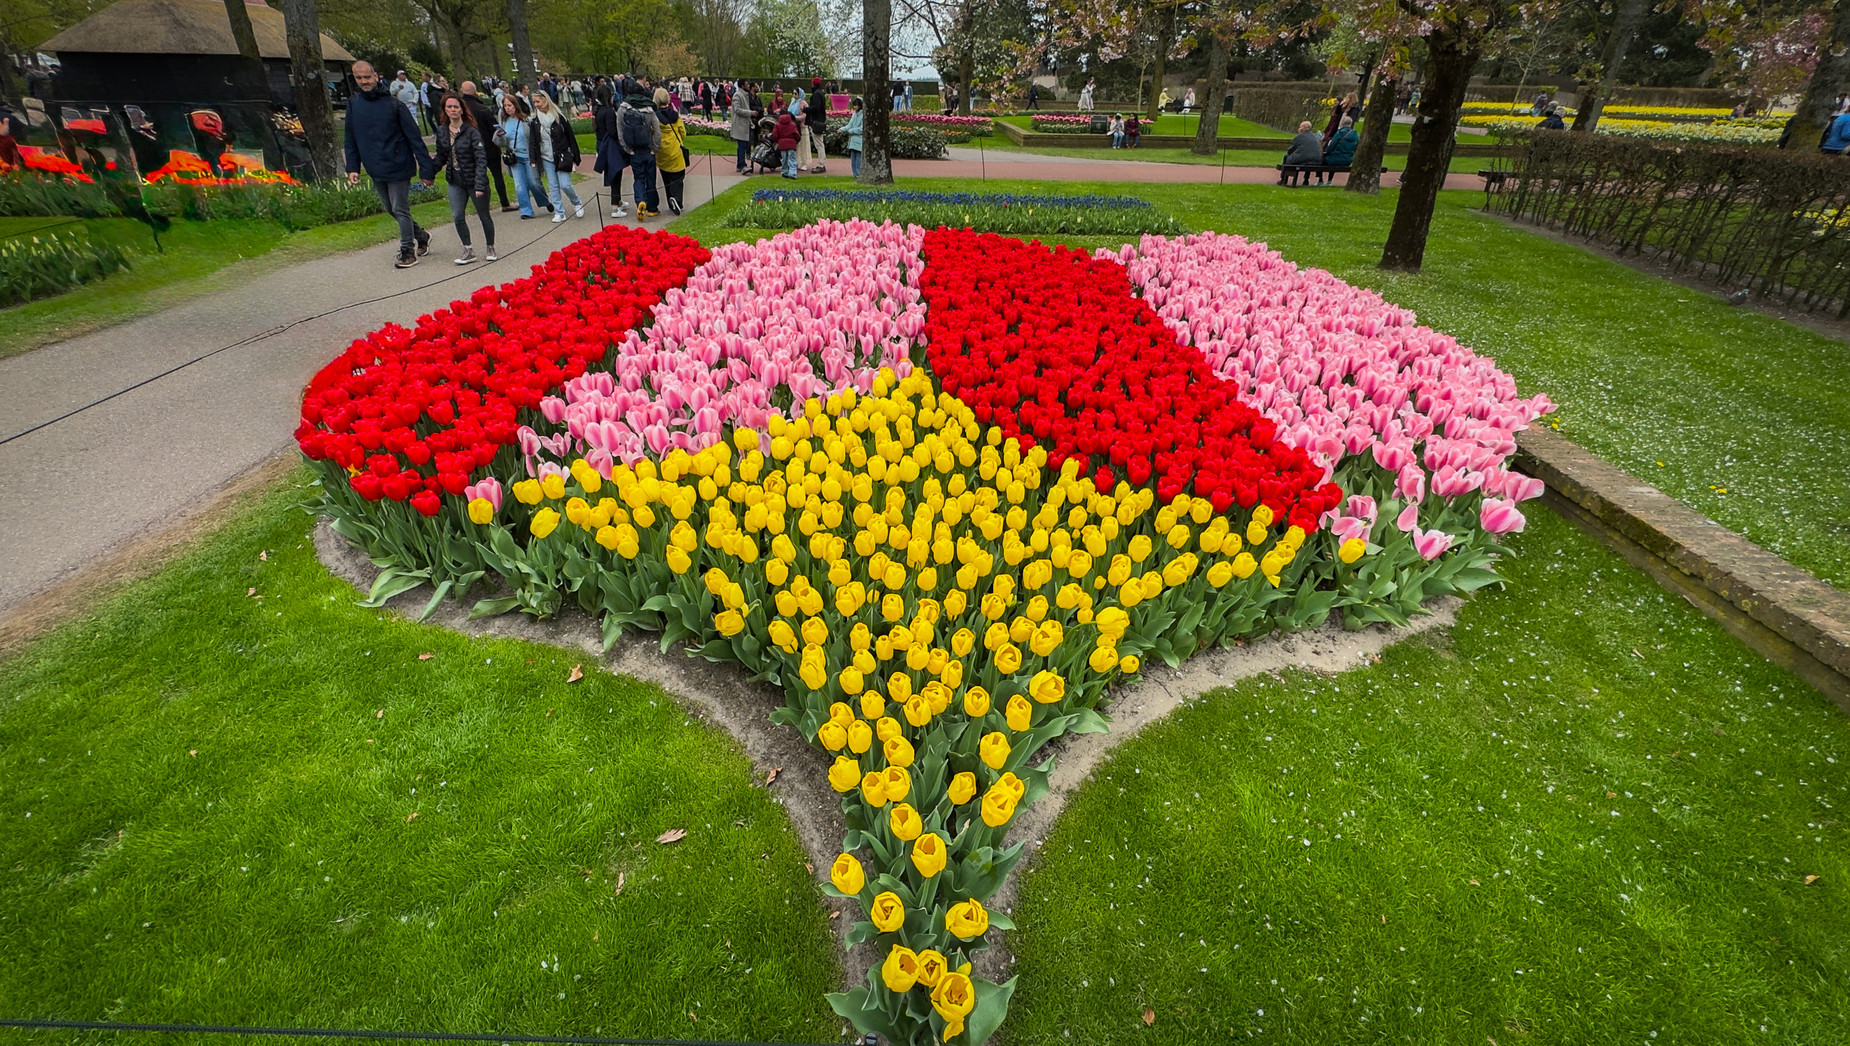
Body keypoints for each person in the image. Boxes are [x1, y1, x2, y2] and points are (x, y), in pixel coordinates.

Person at [345, 61, 435, 268]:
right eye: (359, 78)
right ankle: (421, 235)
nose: (364, 81)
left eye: (367, 77)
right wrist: (352, 167)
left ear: (375, 76)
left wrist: (426, 169)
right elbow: (350, 139)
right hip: (374, 165)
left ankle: (407, 251)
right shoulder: (353, 104)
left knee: (400, 208)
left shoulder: (395, 105)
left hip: (398, 163)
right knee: (391, 209)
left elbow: (415, 139)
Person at [435, 94, 495, 264]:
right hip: (455, 179)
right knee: (457, 215)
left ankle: (490, 246)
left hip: (474, 179)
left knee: (484, 215)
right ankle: (467, 249)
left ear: (461, 109)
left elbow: (481, 158)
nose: (453, 110)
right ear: (445, 110)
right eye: (449, 107)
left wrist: (479, 183)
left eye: (456, 107)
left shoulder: (471, 132)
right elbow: (440, 156)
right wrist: (429, 173)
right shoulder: (442, 131)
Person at [529, 89, 583, 223]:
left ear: (545, 100)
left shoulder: (559, 118)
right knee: (553, 185)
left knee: (565, 184)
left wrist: (575, 155)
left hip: (562, 155)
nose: (536, 104)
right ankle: (559, 212)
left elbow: (570, 137)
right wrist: (533, 159)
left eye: (538, 101)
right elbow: (533, 141)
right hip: (546, 156)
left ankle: (576, 202)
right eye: (533, 102)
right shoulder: (535, 121)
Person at [459, 82, 512, 212]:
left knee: (478, 177)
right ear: (475, 91)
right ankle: (504, 202)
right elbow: (494, 127)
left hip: (470, 149)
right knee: (497, 175)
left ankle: (482, 205)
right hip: (489, 146)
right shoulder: (482, 108)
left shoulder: (461, 109)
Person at [497, 93, 547, 219]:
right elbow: (501, 143)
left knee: (534, 183)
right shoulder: (504, 122)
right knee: (520, 186)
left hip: (528, 156)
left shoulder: (525, 120)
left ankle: (544, 201)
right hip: (515, 158)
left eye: (509, 105)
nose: (507, 108)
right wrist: (499, 135)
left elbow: (533, 139)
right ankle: (526, 211)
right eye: (505, 106)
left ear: (515, 105)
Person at [619, 83, 662, 219]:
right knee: (651, 178)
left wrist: (627, 148)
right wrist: (655, 148)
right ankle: (652, 208)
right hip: (648, 149)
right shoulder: (649, 110)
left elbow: (620, 130)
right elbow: (657, 131)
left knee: (638, 178)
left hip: (634, 150)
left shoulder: (622, 109)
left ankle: (640, 200)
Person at [592, 83, 630, 216]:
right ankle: (615, 206)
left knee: (614, 173)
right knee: (616, 174)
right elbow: (613, 132)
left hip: (602, 144)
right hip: (610, 146)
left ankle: (618, 201)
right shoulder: (608, 112)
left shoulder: (598, 110)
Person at [652, 87, 688, 214]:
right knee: (678, 177)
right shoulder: (675, 115)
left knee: (666, 178)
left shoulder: (654, 117)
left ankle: (670, 200)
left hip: (661, 152)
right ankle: (677, 200)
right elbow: (683, 133)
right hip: (675, 150)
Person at [1279, 120, 1323, 185]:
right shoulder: (1315, 137)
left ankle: (1283, 179)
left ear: (1304, 128)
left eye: (1300, 127)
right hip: (1316, 160)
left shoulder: (1299, 137)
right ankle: (1306, 180)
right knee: (1309, 159)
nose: (1298, 129)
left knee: (1286, 156)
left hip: (1303, 160)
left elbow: (1290, 150)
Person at [800, 76, 828, 172]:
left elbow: (816, 107)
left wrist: (805, 109)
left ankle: (821, 164)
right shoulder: (821, 93)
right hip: (820, 120)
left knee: (819, 144)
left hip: (816, 121)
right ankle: (821, 163)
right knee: (820, 143)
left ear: (813, 84)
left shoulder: (816, 94)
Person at [1319, 115, 1357, 183]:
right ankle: (1329, 180)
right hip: (1348, 160)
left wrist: (1327, 151)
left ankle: (1320, 180)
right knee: (1334, 157)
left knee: (1321, 159)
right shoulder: (1355, 135)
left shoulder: (1339, 133)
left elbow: (1331, 147)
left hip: (1336, 159)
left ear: (1342, 123)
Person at [730, 81, 757, 174]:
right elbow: (737, 110)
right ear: (742, 86)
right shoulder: (737, 95)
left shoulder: (745, 95)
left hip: (744, 124)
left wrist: (749, 121)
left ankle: (740, 164)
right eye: (747, 84)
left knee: (743, 145)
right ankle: (741, 165)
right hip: (739, 124)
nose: (748, 86)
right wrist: (751, 113)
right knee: (742, 145)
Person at [773, 107, 800, 178]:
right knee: (792, 159)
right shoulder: (792, 124)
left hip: (782, 144)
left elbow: (774, 135)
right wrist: (795, 141)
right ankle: (792, 173)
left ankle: (784, 172)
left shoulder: (778, 125)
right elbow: (797, 135)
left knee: (784, 159)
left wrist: (778, 141)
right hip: (791, 144)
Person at [845, 96, 865, 177]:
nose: (854, 107)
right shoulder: (854, 114)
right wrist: (842, 129)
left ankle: (858, 174)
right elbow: (850, 124)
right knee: (853, 159)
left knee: (858, 160)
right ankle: (855, 174)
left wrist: (851, 130)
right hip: (853, 140)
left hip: (859, 140)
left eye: (856, 105)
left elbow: (862, 129)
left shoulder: (863, 115)